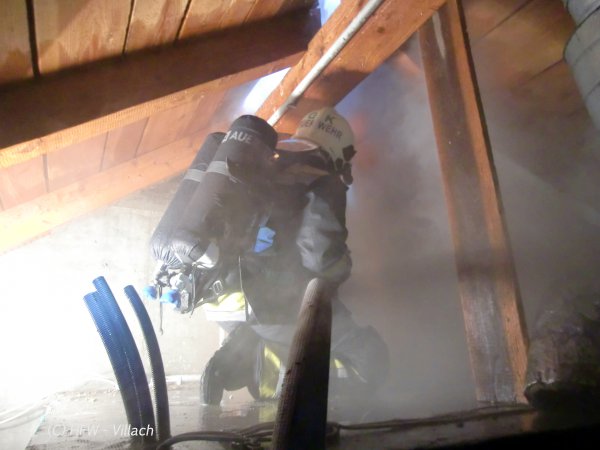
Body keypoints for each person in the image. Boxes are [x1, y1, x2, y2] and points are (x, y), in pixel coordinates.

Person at [149, 108, 389, 405]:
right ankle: (296, 388)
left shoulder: (266, 167)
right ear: (339, 150)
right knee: (369, 358)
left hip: (221, 297)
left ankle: (240, 357)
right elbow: (321, 258)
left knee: (276, 339)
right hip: (273, 305)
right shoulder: (322, 178)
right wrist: (343, 270)